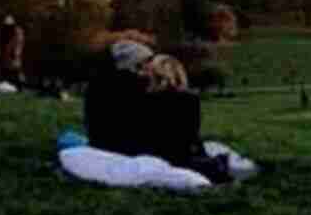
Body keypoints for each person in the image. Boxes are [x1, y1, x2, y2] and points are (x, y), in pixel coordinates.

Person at [84, 40, 230, 184]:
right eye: (148, 61)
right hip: (124, 147)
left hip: (113, 144)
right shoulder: (129, 86)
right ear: (135, 64)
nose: (150, 67)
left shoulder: (102, 85)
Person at [0, 16, 25, 86]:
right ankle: (8, 82)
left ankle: (20, 84)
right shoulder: (5, 31)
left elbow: (19, 42)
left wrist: (16, 52)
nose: (8, 27)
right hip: (9, 52)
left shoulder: (18, 31)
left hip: (15, 52)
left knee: (16, 68)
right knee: (8, 67)